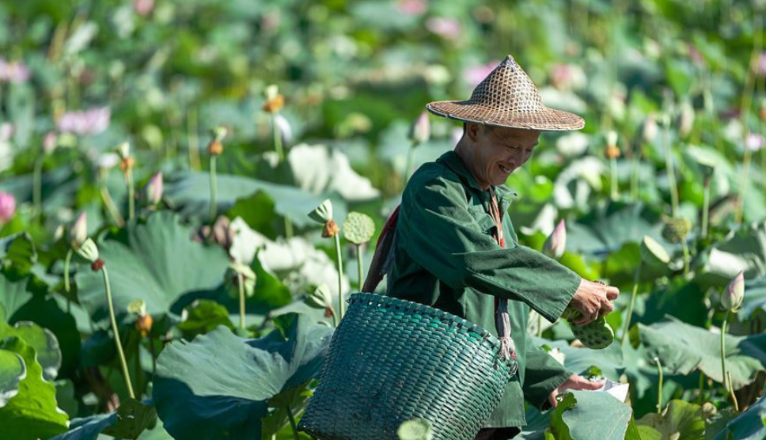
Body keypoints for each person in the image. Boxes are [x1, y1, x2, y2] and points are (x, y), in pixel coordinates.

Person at [381, 55, 620, 439]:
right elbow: (474, 263)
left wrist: (550, 380)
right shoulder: (434, 189)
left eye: (530, 149)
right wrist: (570, 288)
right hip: (432, 397)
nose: (519, 160)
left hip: (485, 403)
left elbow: (500, 320)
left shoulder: (494, 201)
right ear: (473, 129)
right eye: (511, 145)